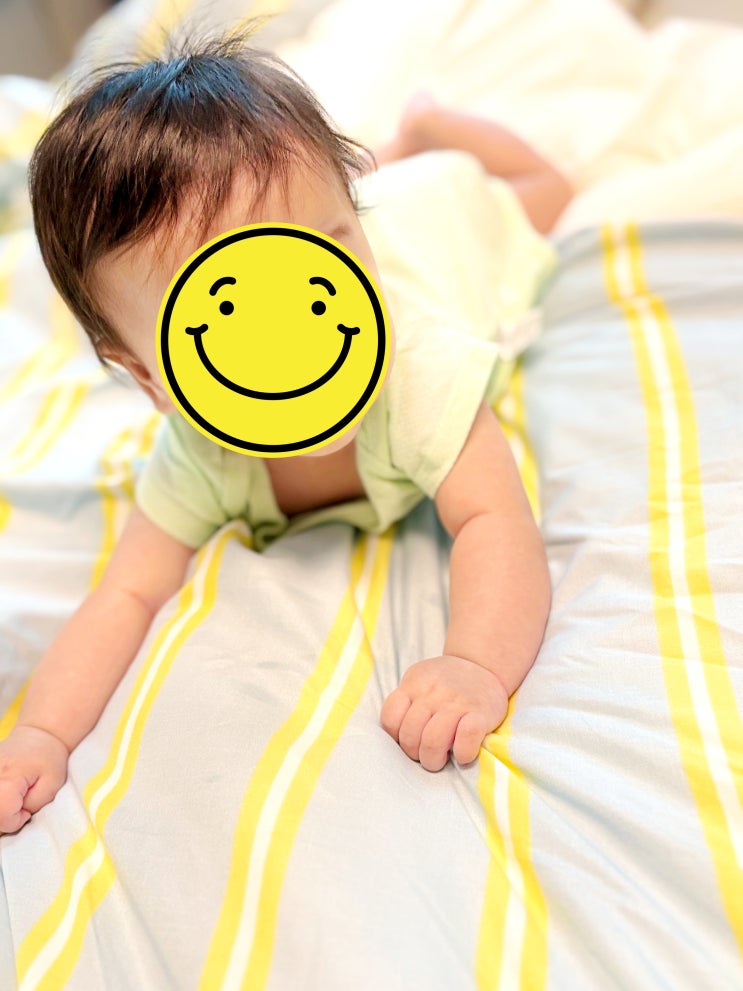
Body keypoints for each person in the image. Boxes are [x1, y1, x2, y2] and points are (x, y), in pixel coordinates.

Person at [0, 31, 570, 834]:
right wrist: (40, 732)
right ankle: (386, 159)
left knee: (539, 193)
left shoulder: (418, 372)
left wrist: (473, 663)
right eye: (234, 310)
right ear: (148, 378)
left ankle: (424, 130)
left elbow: (493, 518)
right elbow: (126, 593)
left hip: (440, 232)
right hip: (379, 213)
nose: (291, 337)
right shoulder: (198, 456)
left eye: (328, 246)